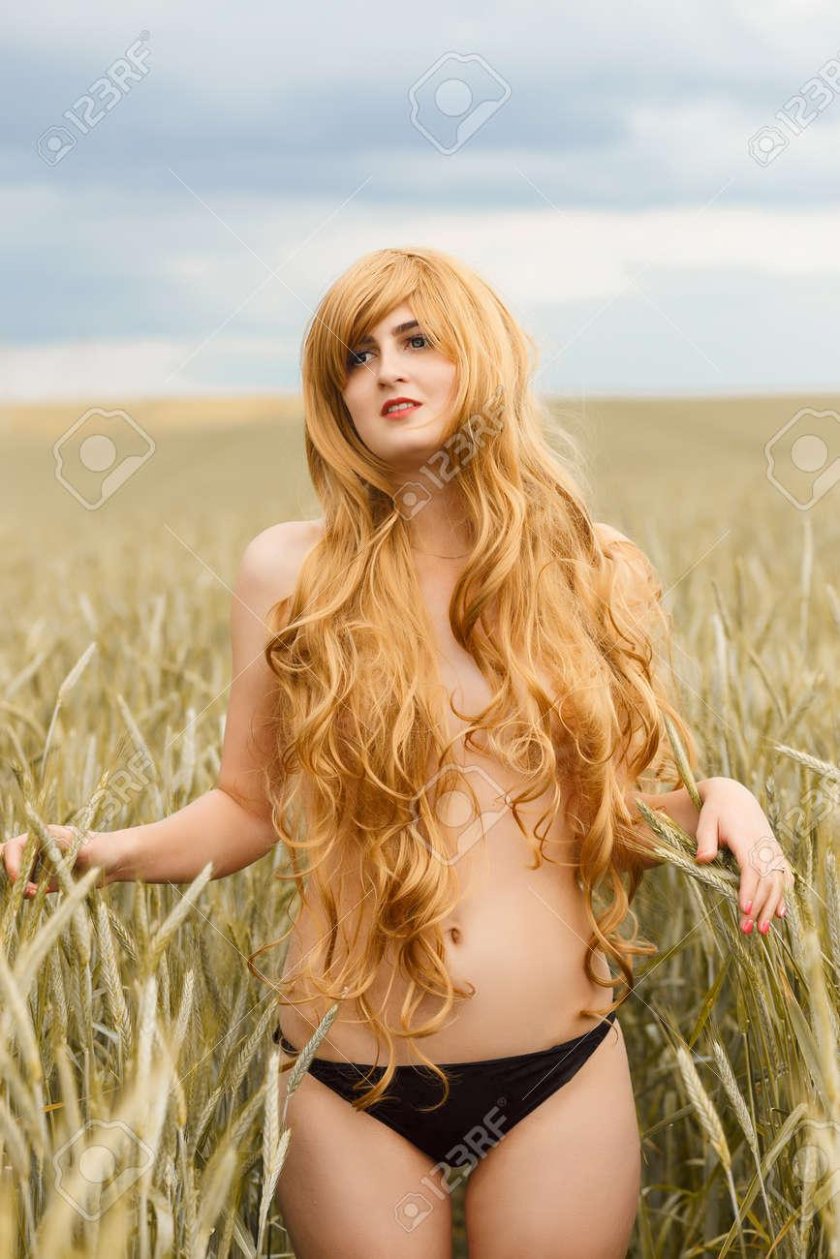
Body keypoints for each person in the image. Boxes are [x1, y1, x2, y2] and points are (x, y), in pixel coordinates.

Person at [1, 246, 794, 1259]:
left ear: (486, 360)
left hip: (559, 1068)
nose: (385, 369)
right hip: (345, 1080)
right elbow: (245, 808)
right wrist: (96, 852)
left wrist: (723, 794)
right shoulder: (293, 571)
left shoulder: (598, 569)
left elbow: (615, 799)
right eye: (358, 353)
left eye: (419, 340)